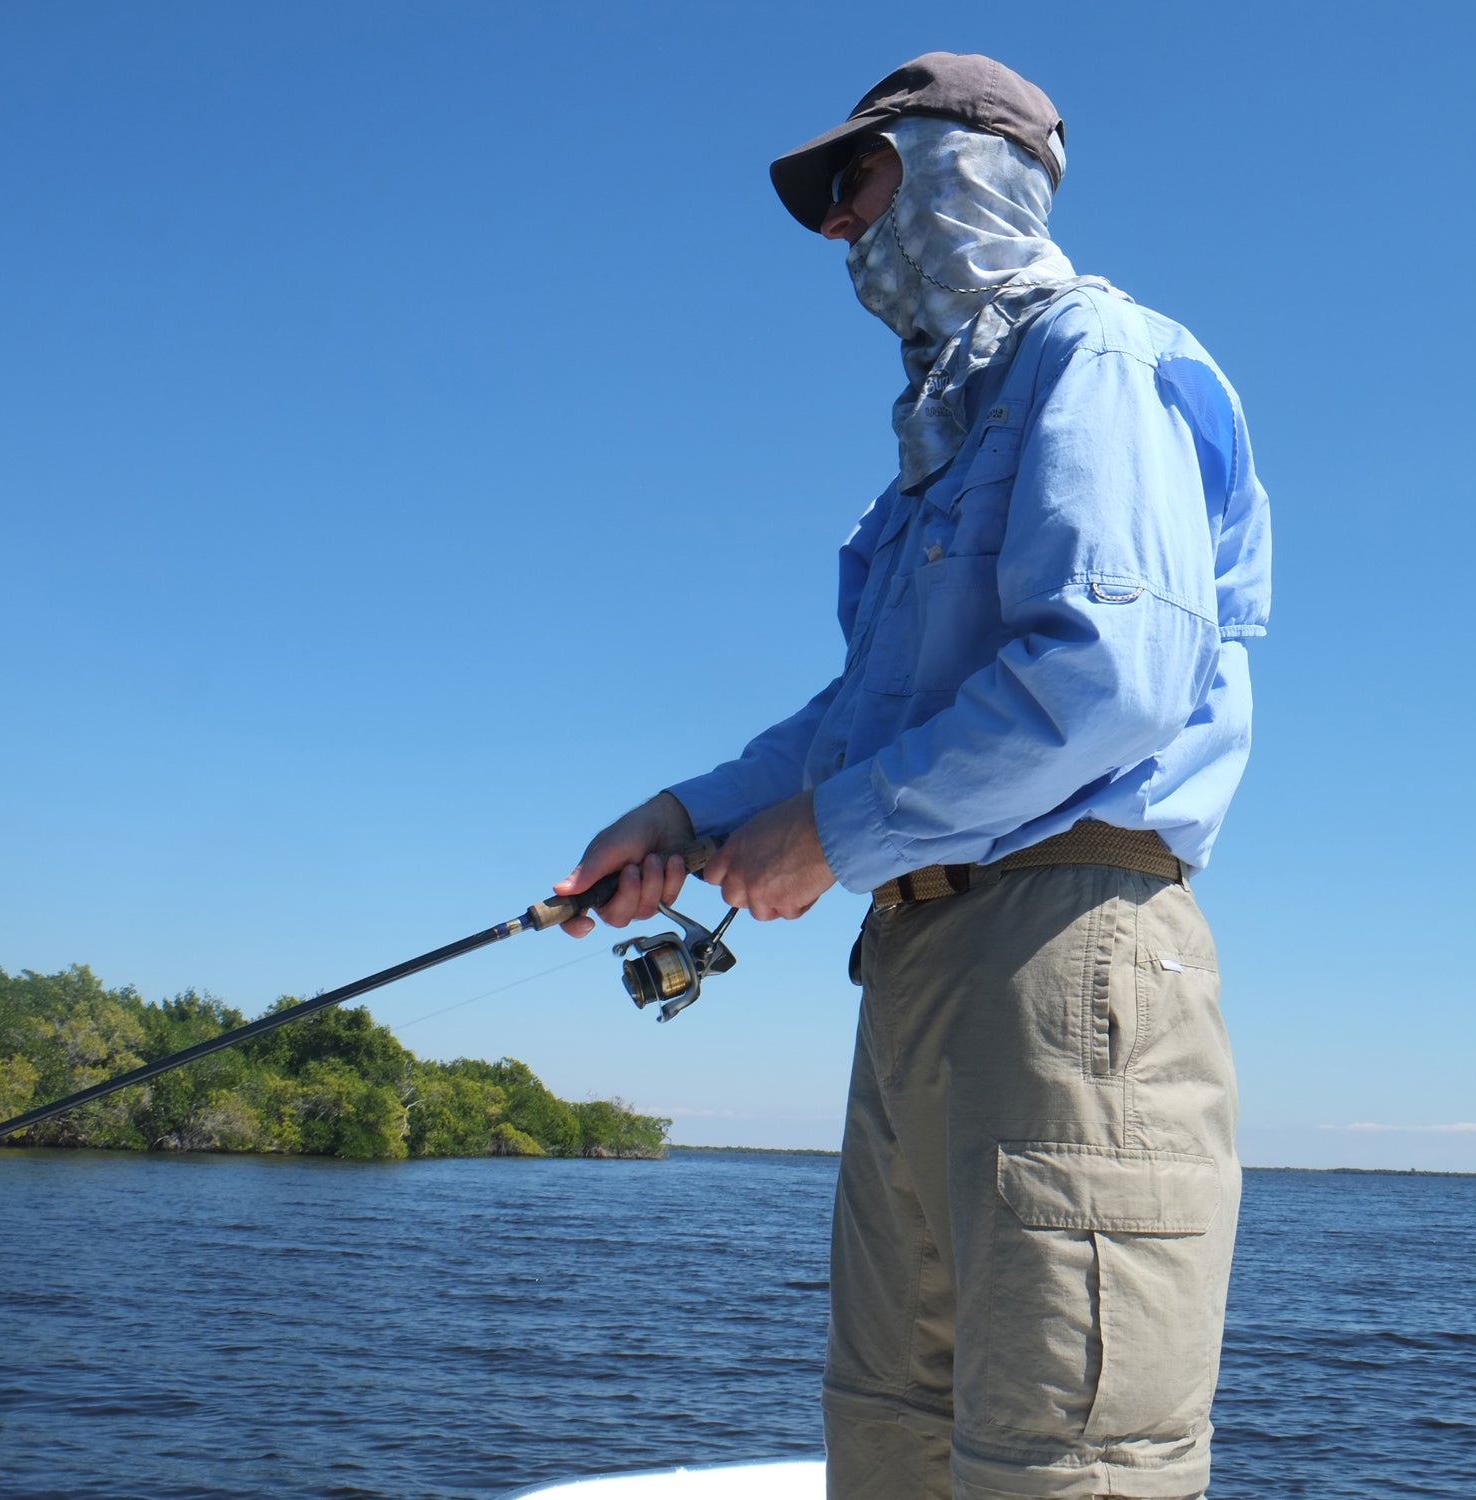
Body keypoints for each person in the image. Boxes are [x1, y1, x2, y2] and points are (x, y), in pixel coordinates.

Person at [554, 52, 1270, 1500]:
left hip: (1068, 952)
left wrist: (829, 833)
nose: (841, 233)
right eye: (829, 208)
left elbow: (1108, 677)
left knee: (1066, 1464)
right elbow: (860, 714)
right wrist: (689, 820)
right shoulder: (931, 465)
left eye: (858, 181)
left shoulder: (1100, 358)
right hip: (920, 962)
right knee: (888, 1432)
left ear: (964, 162)